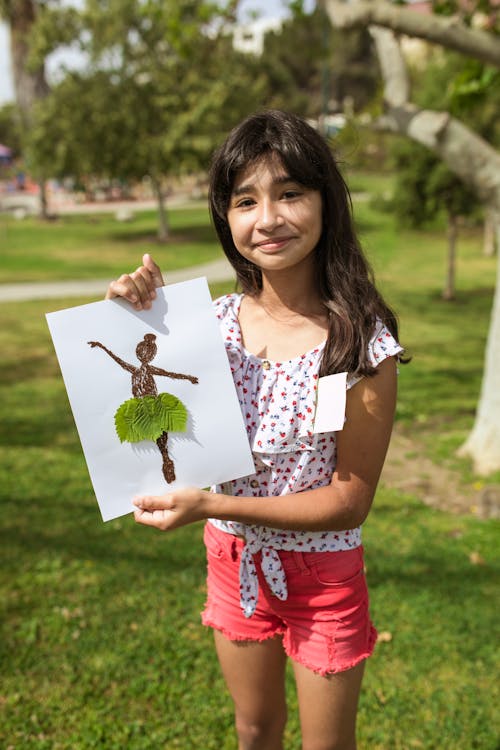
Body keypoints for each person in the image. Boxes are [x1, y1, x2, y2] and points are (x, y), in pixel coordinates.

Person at [105, 110, 404, 750]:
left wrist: (212, 505)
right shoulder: (204, 329)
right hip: (231, 561)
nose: (268, 219)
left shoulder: (362, 342)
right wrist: (135, 314)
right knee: (253, 728)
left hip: (324, 578)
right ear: (227, 218)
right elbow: (137, 381)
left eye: (290, 193)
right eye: (246, 200)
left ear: (327, 203)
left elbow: (350, 502)